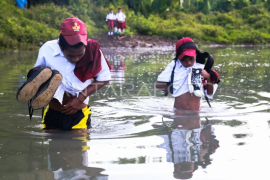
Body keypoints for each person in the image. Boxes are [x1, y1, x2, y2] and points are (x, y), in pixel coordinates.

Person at [17, 17, 111, 131]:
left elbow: (104, 78)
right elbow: (37, 76)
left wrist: (81, 97)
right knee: (54, 147)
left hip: (80, 114)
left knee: (78, 146)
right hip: (53, 113)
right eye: (71, 55)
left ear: (85, 45)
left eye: (80, 55)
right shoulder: (48, 49)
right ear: (60, 46)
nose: (76, 59)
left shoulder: (93, 49)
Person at [156, 37, 219, 111]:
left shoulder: (202, 68)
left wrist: (208, 77)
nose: (188, 62)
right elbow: (158, 84)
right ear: (178, 58)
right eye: (184, 60)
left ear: (196, 54)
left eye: (191, 58)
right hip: (178, 112)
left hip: (196, 113)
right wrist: (176, 89)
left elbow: (210, 94)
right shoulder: (174, 66)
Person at [158, 114, 219, 179]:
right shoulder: (202, 156)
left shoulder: (172, 156)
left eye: (183, 166)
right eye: (188, 166)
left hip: (181, 121)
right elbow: (209, 131)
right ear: (193, 167)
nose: (186, 163)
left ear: (176, 167)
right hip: (193, 122)